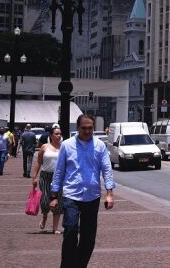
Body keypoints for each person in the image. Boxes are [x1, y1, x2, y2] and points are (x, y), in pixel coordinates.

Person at [49, 114, 115, 267]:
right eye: (84, 128)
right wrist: (53, 196)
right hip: (71, 195)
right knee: (71, 230)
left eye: (90, 128)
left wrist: (109, 193)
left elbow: (107, 169)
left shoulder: (99, 146)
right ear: (78, 128)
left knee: (88, 237)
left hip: (92, 196)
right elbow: (59, 171)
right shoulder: (67, 145)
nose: (87, 131)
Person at [32, 126, 64, 234]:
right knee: (45, 200)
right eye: (56, 134)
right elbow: (38, 162)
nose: (58, 136)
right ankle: (45, 215)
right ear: (51, 135)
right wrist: (34, 177)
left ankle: (55, 228)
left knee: (58, 201)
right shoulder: (44, 147)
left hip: (59, 177)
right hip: (45, 176)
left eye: (60, 134)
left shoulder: (64, 148)